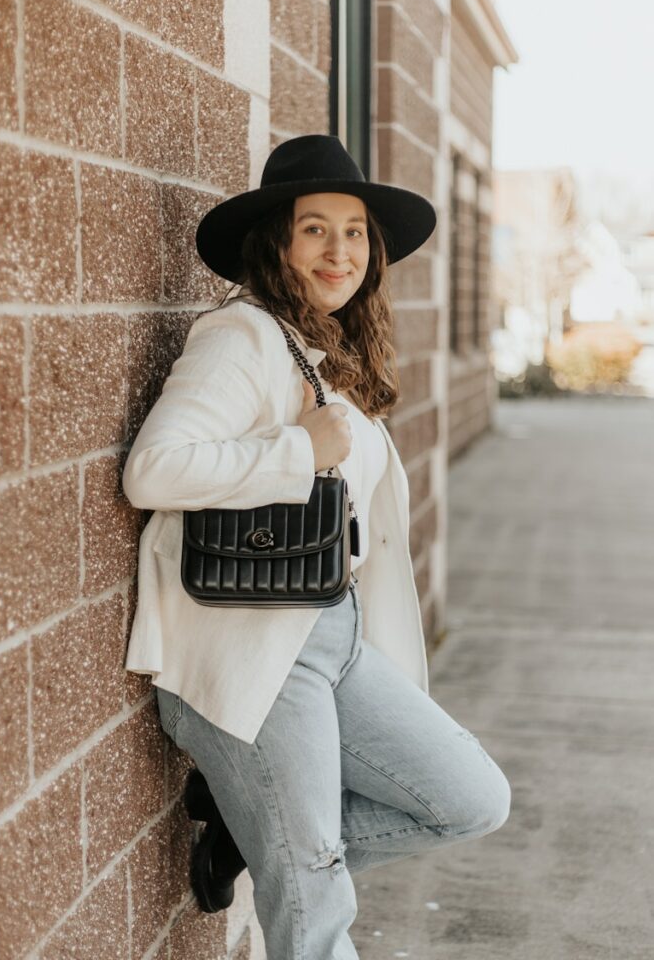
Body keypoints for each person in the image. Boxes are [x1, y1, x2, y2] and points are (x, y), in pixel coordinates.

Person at [122, 134, 510, 959]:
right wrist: (301, 449)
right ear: (276, 242)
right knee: (315, 898)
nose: (340, 252)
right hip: (253, 645)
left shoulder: (326, 348)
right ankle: (277, 842)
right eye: (315, 230)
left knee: (467, 797)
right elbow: (153, 472)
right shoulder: (241, 336)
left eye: (355, 233)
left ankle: (248, 830)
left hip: (331, 635)